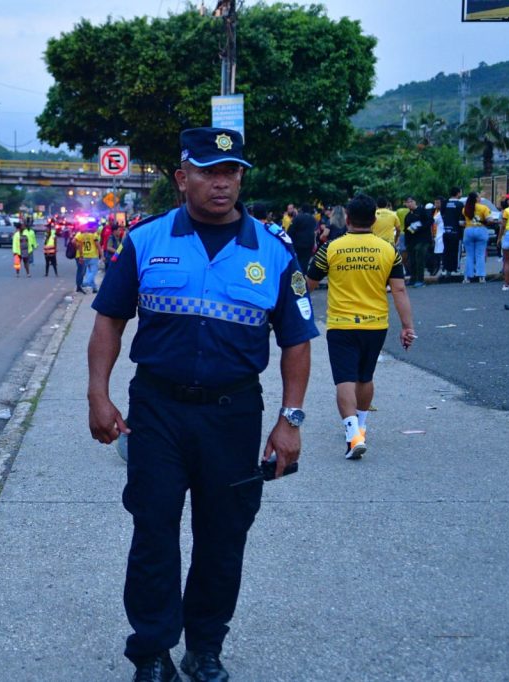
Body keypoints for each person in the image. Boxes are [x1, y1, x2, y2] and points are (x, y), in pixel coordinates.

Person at [87, 127, 317, 682]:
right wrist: (98, 393)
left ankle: (205, 647)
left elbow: (297, 341)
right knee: (153, 533)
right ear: (182, 177)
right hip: (157, 411)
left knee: (223, 538)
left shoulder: (273, 250)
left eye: (231, 171)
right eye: (209, 171)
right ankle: (152, 653)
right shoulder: (145, 240)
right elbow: (110, 320)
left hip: (232, 414)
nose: (222, 183)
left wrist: (290, 419)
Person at [305, 194, 415, 460]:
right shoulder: (388, 250)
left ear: (348, 219)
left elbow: (308, 284)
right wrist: (407, 327)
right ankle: (361, 427)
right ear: (375, 220)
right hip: (375, 324)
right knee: (365, 377)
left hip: (341, 324)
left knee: (345, 378)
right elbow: (399, 290)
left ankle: (353, 435)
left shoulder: (331, 248)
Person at [461, 192, 492, 283]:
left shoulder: (465, 209)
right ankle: (481, 276)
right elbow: (489, 220)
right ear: (476, 199)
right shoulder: (484, 208)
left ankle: (467, 277)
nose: (480, 198)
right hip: (481, 230)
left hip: (468, 230)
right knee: (480, 254)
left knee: (469, 255)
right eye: (479, 197)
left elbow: (462, 222)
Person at [403, 197, 431, 287]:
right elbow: (406, 230)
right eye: (407, 202)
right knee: (412, 260)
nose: (409, 204)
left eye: (411, 201)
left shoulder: (422, 211)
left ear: (415, 202)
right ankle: (413, 279)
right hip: (412, 241)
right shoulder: (408, 216)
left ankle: (420, 280)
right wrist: (407, 242)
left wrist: (419, 227)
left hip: (423, 239)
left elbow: (430, 221)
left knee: (419, 259)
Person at [440, 187, 465, 277]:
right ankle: (455, 269)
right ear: (458, 193)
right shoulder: (460, 204)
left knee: (446, 251)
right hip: (456, 231)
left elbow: (442, 215)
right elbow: (461, 220)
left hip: (446, 230)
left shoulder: (445, 203)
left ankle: (445, 269)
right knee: (456, 252)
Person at [288, 205, 317, 271]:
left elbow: (290, 231)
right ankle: (303, 274)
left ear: (302, 210)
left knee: (297, 261)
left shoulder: (297, 218)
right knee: (305, 262)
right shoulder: (313, 219)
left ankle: (298, 274)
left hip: (298, 244)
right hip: (309, 243)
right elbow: (314, 232)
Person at [75, 223, 100, 292]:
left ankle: (93, 287)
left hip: (84, 255)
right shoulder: (93, 235)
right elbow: (98, 246)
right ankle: (82, 284)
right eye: (95, 227)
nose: (96, 229)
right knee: (90, 272)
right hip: (90, 255)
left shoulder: (81, 235)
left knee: (88, 272)